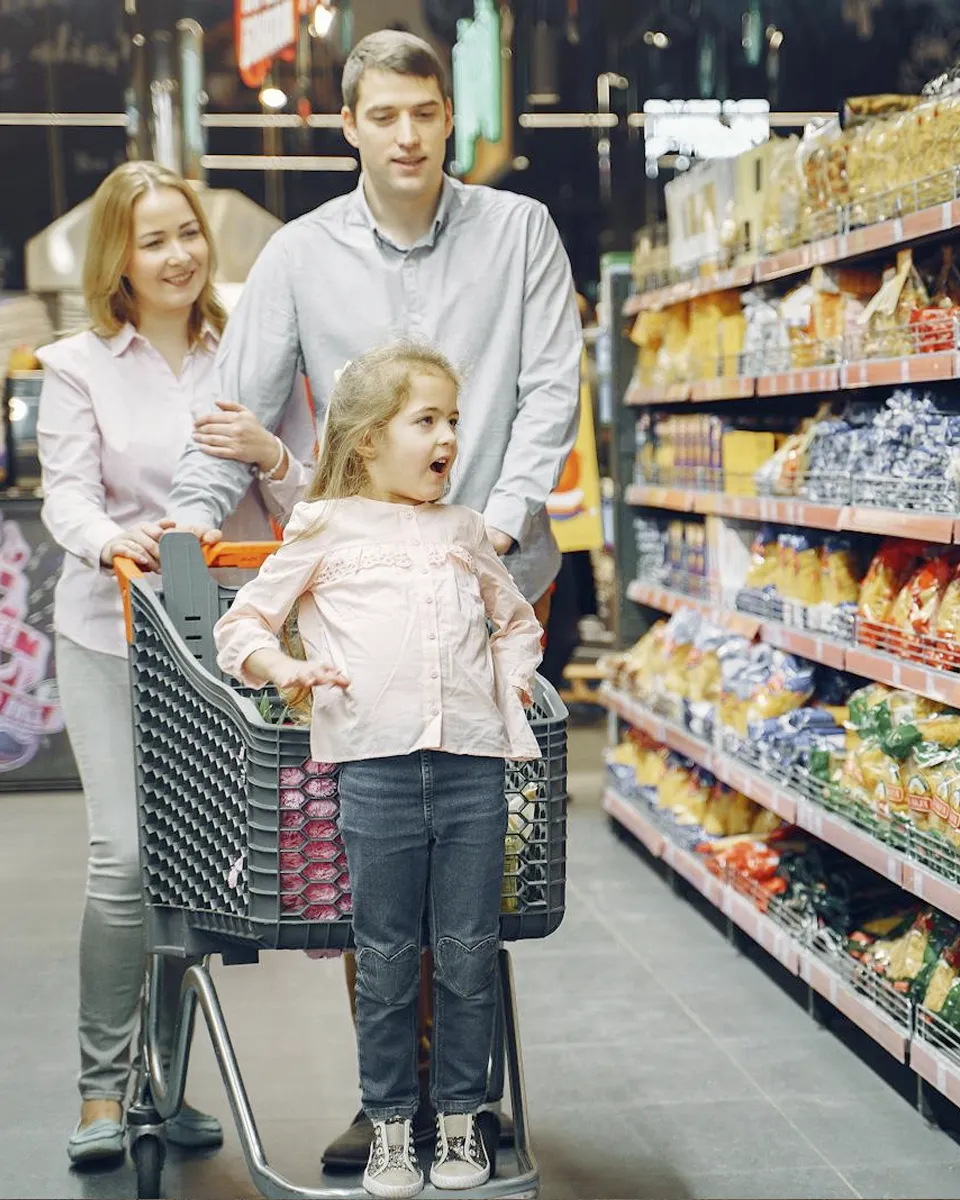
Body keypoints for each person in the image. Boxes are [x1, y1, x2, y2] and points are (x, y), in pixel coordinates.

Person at [167, 27, 582, 1165]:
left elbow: (551, 386)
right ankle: (390, 1098)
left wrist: (491, 525)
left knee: (481, 856)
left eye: (426, 112)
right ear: (348, 125)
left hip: (493, 573)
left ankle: (463, 1094)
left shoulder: (521, 232)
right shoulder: (301, 256)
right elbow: (236, 408)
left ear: (450, 116)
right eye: (383, 115)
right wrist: (190, 521)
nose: (408, 134)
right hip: (354, 601)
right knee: (376, 853)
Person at [213, 342, 543, 1199]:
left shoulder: (465, 531)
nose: (447, 438)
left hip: (473, 767)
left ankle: (464, 1116)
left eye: (453, 422)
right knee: (390, 957)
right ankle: (393, 1126)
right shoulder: (324, 528)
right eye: (425, 420)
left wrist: (507, 687)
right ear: (366, 441)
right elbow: (243, 625)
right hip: (373, 771)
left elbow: (516, 624)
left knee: (469, 954)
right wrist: (285, 672)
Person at [36, 160, 314, 1165]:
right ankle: (102, 1094)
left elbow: (309, 504)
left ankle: (165, 1086)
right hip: (111, 635)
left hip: (215, 650)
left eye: (187, 232)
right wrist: (108, 537)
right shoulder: (76, 364)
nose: (177, 254)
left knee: (190, 872)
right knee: (124, 858)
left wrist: (271, 452)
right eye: (152, 238)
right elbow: (62, 491)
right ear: (119, 255)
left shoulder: (252, 356)